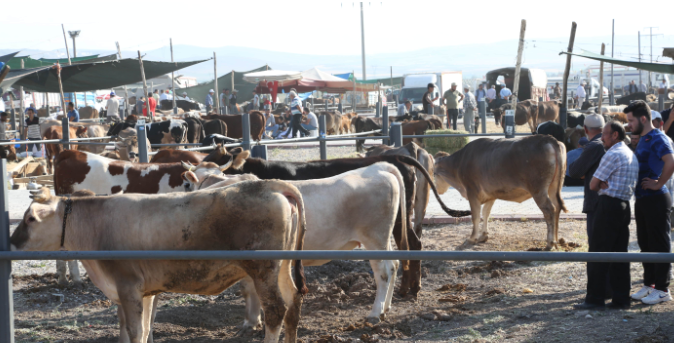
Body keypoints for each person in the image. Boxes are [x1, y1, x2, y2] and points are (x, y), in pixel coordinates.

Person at [574, 121, 638, 310]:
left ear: (615, 135)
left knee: (598, 253)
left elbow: (593, 185)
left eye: (605, 134)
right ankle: (621, 299)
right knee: (620, 255)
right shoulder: (629, 153)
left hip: (607, 206)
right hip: (624, 206)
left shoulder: (612, 154)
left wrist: (600, 182)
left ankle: (595, 299)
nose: (602, 138)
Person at [626, 100, 674, 305]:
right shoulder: (644, 139)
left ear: (643, 119)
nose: (628, 125)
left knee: (660, 243)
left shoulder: (657, 137)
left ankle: (663, 289)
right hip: (643, 200)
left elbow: (671, 160)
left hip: (656, 198)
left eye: (630, 120)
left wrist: (659, 183)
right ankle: (650, 284)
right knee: (645, 244)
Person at [569, 115, 606, 239]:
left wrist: (586, 170)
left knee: (596, 244)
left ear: (585, 129)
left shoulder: (594, 146)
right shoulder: (615, 143)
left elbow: (574, 171)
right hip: (615, 199)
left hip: (596, 201)